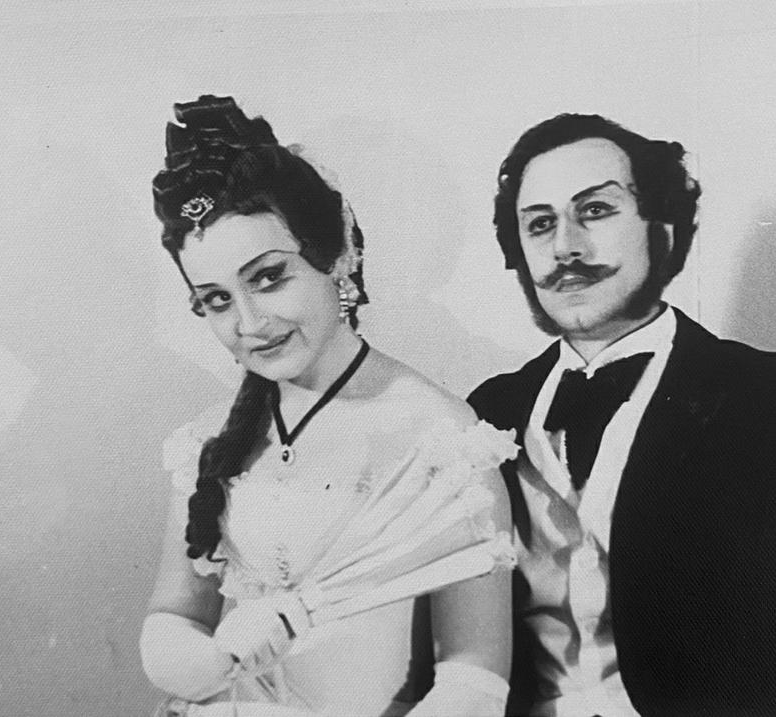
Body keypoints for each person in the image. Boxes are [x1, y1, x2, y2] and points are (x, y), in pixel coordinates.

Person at [468, 113, 776, 717]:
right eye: (540, 224)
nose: (565, 247)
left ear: (662, 227)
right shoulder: (487, 411)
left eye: (595, 211)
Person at [140, 95, 515, 717]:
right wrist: (215, 659)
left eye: (268, 277)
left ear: (338, 256)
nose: (250, 323)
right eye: (216, 299)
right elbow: (172, 616)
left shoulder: (442, 437)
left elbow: (475, 680)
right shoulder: (207, 440)